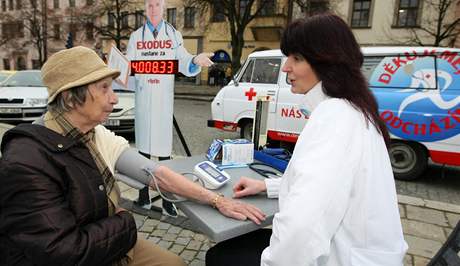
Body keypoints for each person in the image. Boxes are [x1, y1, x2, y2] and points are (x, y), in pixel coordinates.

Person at [0, 46, 265, 266]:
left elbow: (155, 173)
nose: (115, 98)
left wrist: (217, 199)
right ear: (70, 99)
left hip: (106, 238)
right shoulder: (27, 160)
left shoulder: (93, 133)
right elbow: (62, 252)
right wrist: (124, 220)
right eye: (104, 89)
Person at [206, 14, 408, 266]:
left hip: (342, 258)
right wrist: (267, 187)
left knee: (220, 256)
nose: (285, 67)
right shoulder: (355, 110)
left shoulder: (335, 117)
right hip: (359, 253)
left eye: (297, 58)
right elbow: (335, 184)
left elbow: (301, 228)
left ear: (328, 63)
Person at [126, 0, 214, 216]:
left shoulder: (173, 34)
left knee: (164, 155)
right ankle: (143, 196)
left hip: (163, 101)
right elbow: (128, 66)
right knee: (143, 154)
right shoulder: (136, 37)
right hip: (143, 101)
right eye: (149, 5)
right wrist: (116, 69)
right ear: (145, 9)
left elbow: (183, 59)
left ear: (163, 7)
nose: (153, 9)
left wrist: (195, 59)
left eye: (157, 4)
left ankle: (168, 200)